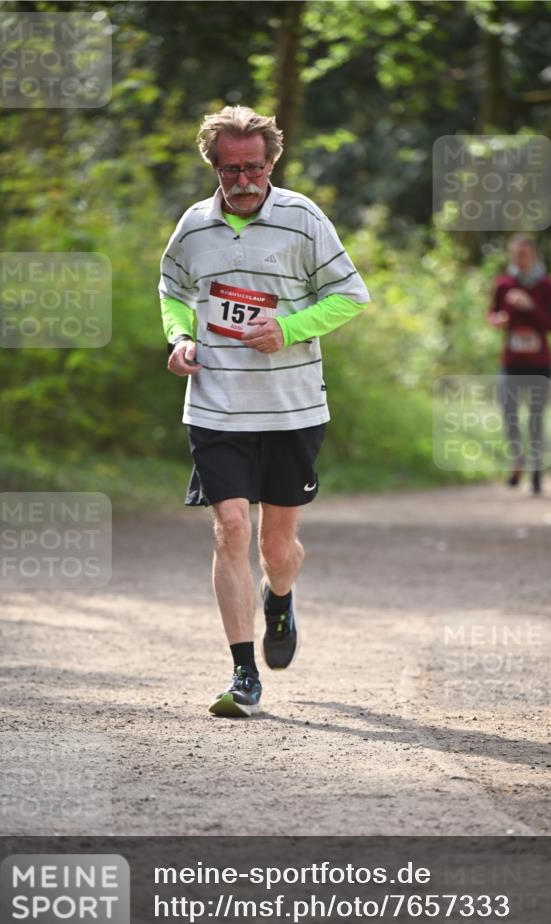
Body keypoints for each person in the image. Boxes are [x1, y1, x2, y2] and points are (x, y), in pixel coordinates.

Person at [158, 106, 370, 717]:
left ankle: (281, 597)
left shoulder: (303, 219)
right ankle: (243, 673)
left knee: (277, 548)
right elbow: (172, 288)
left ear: (272, 162)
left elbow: (351, 294)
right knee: (229, 530)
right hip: (217, 407)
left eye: (254, 166)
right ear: (215, 168)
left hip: (292, 408)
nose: (244, 179)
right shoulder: (194, 226)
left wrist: (292, 327)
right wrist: (180, 338)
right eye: (231, 170)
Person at [488, 235, 551, 495]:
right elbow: (493, 313)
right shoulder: (504, 284)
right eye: (516, 255)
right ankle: (517, 460)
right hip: (511, 361)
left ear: (534, 256)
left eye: (525, 255)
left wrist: (530, 307)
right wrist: (498, 320)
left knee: (536, 418)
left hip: (539, 363)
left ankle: (537, 473)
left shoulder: (547, 286)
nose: (520, 259)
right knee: (509, 412)